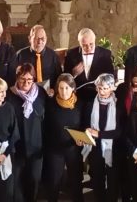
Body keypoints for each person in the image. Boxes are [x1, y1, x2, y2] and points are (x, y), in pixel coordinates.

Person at [5, 64, 46, 202]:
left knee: (34, 179)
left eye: (30, 80)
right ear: (17, 78)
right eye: (22, 79)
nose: (26, 83)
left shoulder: (40, 93)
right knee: (16, 181)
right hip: (16, 146)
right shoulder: (9, 95)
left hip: (36, 145)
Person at [42, 74, 84, 202]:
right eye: (60, 88)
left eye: (66, 88)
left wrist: (82, 138)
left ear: (73, 88)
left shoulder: (80, 105)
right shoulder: (50, 104)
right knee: (54, 182)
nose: (63, 91)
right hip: (54, 149)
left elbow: (84, 125)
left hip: (74, 148)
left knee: (76, 181)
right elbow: (45, 127)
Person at [114, 64, 137, 202]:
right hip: (124, 134)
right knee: (124, 173)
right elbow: (119, 112)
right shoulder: (123, 89)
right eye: (136, 82)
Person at [83, 73, 122, 202]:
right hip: (94, 147)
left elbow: (119, 132)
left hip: (113, 147)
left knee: (112, 179)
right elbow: (85, 123)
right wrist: (87, 131)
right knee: (97, 178)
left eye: (105, 88)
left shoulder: (118, 105)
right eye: (99, 88)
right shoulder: (90, 104)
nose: (102, 91)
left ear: (112, 88)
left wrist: (99, 134)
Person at [63, 28, 114, 104]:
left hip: (98, 94)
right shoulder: (71, 54)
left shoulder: (105, 54)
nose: (89, 48)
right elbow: (64, 78)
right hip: (77, 95)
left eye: (91, 44)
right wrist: (73, 73)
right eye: (84, 45)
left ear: (94, 40)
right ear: (80, 43)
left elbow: (111, 76)